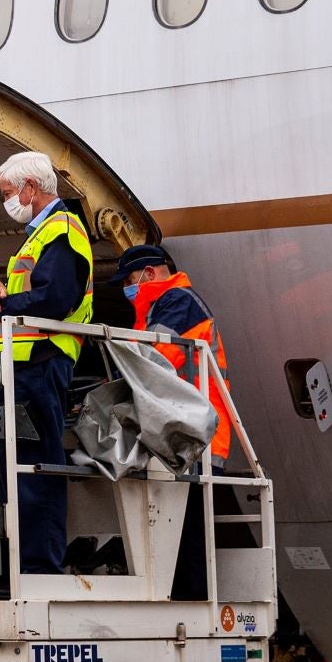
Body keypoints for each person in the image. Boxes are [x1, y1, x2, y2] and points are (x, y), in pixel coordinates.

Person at [0, 151, 92, 575]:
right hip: (27, 367)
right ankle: (25, 567)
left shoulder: (60, 228)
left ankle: (39, 569)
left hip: (40, 364)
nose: (7, 202)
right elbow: (33, 288)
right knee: (20, 469)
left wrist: (0, 308)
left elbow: (56, 299)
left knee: (34, 468)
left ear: (31, 188)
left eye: (9, 193)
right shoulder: (42, 234)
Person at [114, 244, 236, 601]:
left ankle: (191, 604)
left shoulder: (177, 302)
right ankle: (185, 599)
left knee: (187, 532)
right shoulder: (166, 305)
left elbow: (151, 361)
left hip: (195, 435)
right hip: (187, 432)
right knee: (181, 532)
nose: (128, 288)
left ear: (150, 274)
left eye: (130, 280)